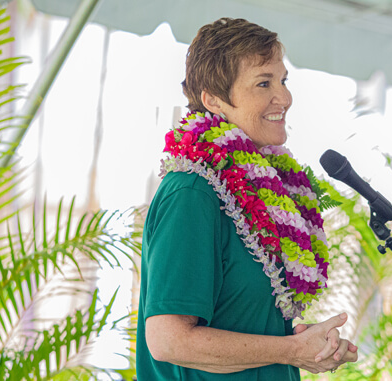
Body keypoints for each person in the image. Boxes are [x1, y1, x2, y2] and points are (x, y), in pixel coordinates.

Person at [136, 17, 358, 380]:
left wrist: (307, 344)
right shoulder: (193, 193)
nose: (284, 97)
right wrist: (292, 351)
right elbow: (168, 341)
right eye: (263, 83)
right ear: (214, 100)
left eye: (283, 81)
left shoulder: (264, 194)